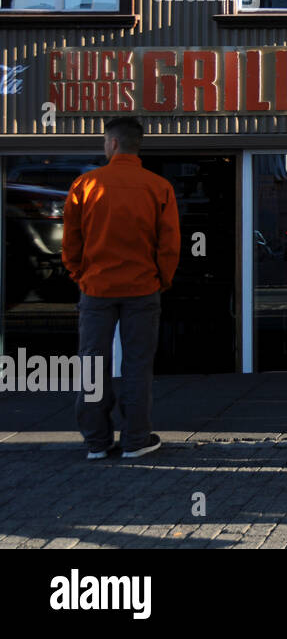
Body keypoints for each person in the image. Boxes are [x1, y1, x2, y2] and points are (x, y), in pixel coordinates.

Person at [63, 117, 181, 460]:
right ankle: (135, 439)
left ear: (112, 144)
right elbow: (169, 244)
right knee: (137, 365)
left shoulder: (85, 184)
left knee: (92, 364)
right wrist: (163, 279)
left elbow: (71, 241)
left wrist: (78, 275)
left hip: (97, 288)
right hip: (142, 288)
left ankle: (97, 442)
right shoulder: (158, 187)